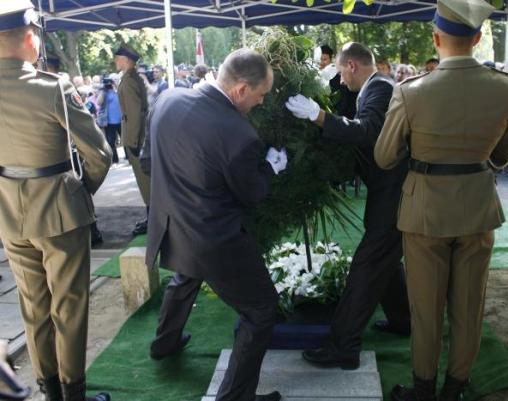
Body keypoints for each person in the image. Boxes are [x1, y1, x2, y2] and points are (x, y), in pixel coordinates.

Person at [373, 0, 508, 399]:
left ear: (436, 38)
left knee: (426, 309)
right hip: (477, 208)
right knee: (469, 308)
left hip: (425, 211)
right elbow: (502, 158)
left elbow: (384, 157)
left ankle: (424, 387)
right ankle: (456, 385)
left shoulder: (411, 91)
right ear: (478, 38)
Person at [146, 49, 285, 401]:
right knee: (261, 311)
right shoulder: (239, 134)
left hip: (172, 222)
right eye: (261, 95)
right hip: (214, 239)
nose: (262, 101)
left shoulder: (167, 99)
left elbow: (148, 161)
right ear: (241, 89)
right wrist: (271, 167)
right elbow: (253, 193)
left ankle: (164, 343)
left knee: (186, 275)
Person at [0, 2, 113, 401]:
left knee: (33, 306)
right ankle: (72, 392)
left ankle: (49, 391)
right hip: (60, 212)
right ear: (30, 38)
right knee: (70, 306)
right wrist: (81, 193)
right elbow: (100, 154)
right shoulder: (52, 87)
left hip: (10, 216)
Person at [286, 42, 411, 370]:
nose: (341, 80)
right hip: (391, 191)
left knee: (367, 267)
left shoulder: (380, 88)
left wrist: (318, 116)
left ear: (352, 66)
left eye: (341, 72)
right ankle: (403, 320)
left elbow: (368, 131)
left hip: (395, 193)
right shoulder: (376, 87)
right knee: (385, 260)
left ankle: (344, 347)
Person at [115, 44, 151, 235]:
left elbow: (135, 113)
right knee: (145, 179)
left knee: (144, 181)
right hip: (138, 134)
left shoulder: (129, 81)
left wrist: (134, 142)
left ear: (126, 60)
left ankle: (153, 218)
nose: (116, 61)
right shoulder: (133, 78)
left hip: (136, 136)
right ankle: (152, 216)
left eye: (118, 58)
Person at [96, 77, 122, 164]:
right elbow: (98, 102)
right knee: (111, 142)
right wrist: (103, 90)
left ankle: (129, 157)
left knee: (125, 139)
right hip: (109, 122)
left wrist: (115, 85)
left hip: (121, 120)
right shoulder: (104, 92)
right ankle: (114, 159)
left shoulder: (117, 90)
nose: (108, 84)